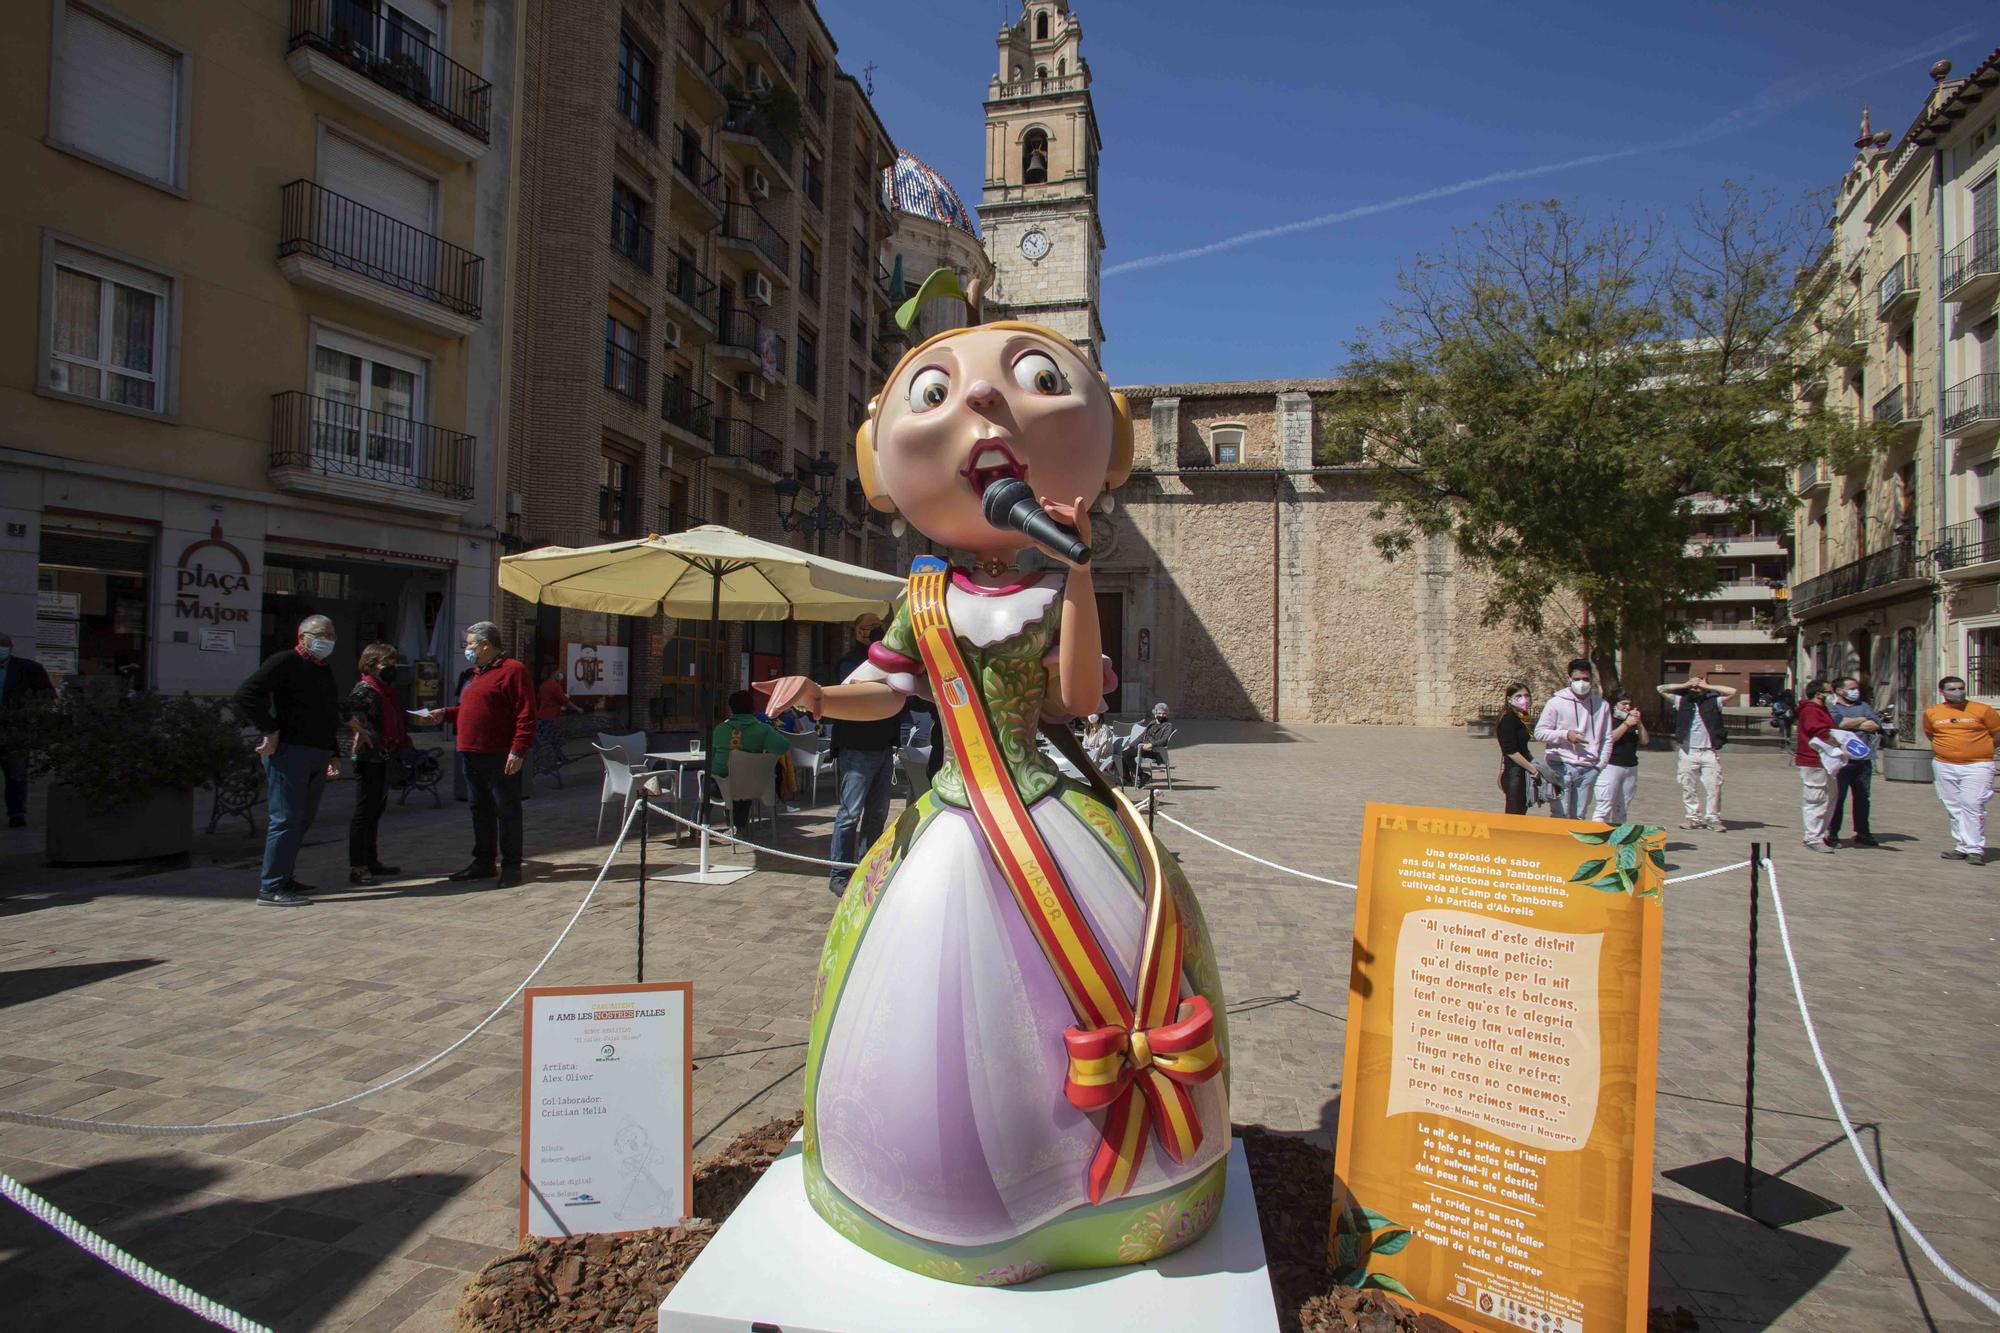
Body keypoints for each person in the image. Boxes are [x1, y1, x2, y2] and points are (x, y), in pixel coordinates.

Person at [754, 302, 1226, 1282]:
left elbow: (1075, 698)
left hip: (1046, 809)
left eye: (1032, 379)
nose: (978, 399)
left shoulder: (1051, 582)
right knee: (936, 1016)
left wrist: (1079, 570)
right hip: (955, 819)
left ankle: (1095, 1181)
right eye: (935, 393)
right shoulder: (921, 598)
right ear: (880, 465)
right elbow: (879, 690)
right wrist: (816, 693)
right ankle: (944, 1195)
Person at [233, 615, 342, 906]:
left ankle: (285, 876)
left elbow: (327, 711)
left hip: (316, 751)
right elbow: (246, 695)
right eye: (322, 633)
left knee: (302, 820)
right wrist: (269, 728)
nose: (328, 639)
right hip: (290, 751)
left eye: (332, 634)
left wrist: (333, 751)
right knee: (286, 819)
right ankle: (271, 887)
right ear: (303, 636)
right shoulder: (285, 662)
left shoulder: (322, 668)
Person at [422, 622, 537, 888]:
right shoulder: (476, 674)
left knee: (506, 810)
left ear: (485, 645)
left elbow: (526, 714)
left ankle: (511, 866)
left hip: (498, 753)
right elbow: (471, 708)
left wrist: (518, 749)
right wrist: (445, 714)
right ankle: (484, 862)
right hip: (470, 752)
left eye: (470, 644)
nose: (467, 649)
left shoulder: (512, 671)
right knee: (479, 809)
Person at [821, 612, 898, 894]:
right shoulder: (849, 662)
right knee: (850, 814)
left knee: (877, 813)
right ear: (856, 632)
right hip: (856, 747)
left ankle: (866, 868)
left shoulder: (887, 661)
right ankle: (840, 873)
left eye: (876, 628)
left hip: (883, 746)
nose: (872, 633)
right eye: (866, 629)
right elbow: (859, 688)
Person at [343, 642, 406, 886]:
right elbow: (346, 709)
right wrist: (358, 729)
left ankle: (372, 860)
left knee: (375, 811)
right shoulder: (366, 689)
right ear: (372, 665)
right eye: (386, 663)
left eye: (393, 662)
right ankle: (358, 866)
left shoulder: (384, 690)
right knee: (365, 812)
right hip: (369, 758)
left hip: (383, 756)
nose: (392, 667)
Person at [1922, 675, 2000, 865]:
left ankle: (1975, 849)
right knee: (1953, 805)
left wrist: (1982, 749)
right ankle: (1962, 845)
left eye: (1961, 688)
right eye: (1952, 689)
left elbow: (1996, 734)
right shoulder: (1933, 712)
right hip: (1944, 765)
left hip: (1978, 765)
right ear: (1942, 692)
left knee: (1973, 804)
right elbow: (1931, 734)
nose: (1958, 692)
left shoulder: (1983, 710)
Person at [1534, 659, 1610, 820]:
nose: (1581, 683)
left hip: (1588, 769)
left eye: (1586, 679)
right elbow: (1539, 733)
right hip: (1560, 765)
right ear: (1569, 678)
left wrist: (1599, 766)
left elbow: (1607, 738)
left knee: (1579, 817)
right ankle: (1555, 845)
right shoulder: (1556, 703)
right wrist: (1565, 734)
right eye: (1577, 679)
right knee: (1560, 814)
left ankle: (1573, 845)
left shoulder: (1602, 705)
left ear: (1592, 679)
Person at [1658, 674, 1734, 831]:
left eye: (1700, 685)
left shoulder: (1713, 701)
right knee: (1688, 786)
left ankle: (1713, 818)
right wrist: (1685, 684)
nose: (1696, 688)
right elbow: (1661, 689)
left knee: (1714, 786)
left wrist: (1706, 686)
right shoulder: (1682, 701)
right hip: (1688, 751)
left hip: (1708, 751)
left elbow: (1732, 691)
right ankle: (1693, 818)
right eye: (1694, 686)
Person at [711, 689, 790, 834]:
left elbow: (712, 758)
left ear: (731, 708)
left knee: (707, 783)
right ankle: (739, 826)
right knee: (746, 776)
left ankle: (696, 823)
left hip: (721, 789)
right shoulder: (763, 730)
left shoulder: (719, 730)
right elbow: (783, 747)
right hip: (752, 787)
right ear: (752, 708)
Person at [0, 632, 55, 829]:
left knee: (16, 774)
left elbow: (47, 695)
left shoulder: (28, 669)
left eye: (3, 645)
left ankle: (16, 813)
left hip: (16, 731)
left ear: (11, 647)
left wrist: (30, 716)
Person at [1826, 675, 1885, 849]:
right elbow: (1839, 724)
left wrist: (1852, 723)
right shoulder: (1832, 707)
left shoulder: (1863, 706)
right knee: (1838, 798)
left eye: (1856, 688)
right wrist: (1861, 721)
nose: (1855, 691)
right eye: (1851, 688)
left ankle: (1863, 832)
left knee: (1862, 797)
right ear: (1839, 691)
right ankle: (1833, 834)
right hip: (1842, 760)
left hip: (1863, 760)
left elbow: (1875, 724)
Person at [1794, 678, 1837, 854]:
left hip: (1826, 762)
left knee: (1829, 799)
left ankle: (1819, 834)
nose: (1832, 695)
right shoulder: (1811, 710)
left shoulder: (1821, 709)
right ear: (1819, 694)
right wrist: (1843, 744)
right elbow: (1821, 733)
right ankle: (1812, 837)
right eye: (1829, 692)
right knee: (1816, 799)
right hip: (1813, 761)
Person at [1593, 688, 1648, 825]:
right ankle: (1597, 837)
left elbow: (1645, 741)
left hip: (1630, 767)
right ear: (1614, 704)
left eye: (1629, 704)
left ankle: (1617, 839)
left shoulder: (1632, 721)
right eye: (1623, 704)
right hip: (1611, 766)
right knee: (1604, 806)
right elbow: (1610, 738)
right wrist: (1626, 724)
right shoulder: (1608, 719)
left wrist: (1639, 722)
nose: (1627, 707)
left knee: (1621, 810)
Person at [1497, 683, 1538, 815]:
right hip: (1515, 772)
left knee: (1521, 811)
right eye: (1518, 696)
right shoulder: (1508, 719)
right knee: (1514, 814)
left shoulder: (1520, 718)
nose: (1524, 699)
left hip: (1521, 770)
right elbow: (1510, 751)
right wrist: (1532, 768)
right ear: (1509, 699)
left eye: (1526, 695)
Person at [535, 666, 584, 766]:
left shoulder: (544, 685)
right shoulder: (553, 685)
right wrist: (577, 709)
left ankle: (559, 757)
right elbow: (565, 701)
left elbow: (540, 698)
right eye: (558, 672)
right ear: (554, 673)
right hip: (551, 716)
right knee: (553, 739)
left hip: (543, 715)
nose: (560, 674)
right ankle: (554, 758)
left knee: (551, 739)